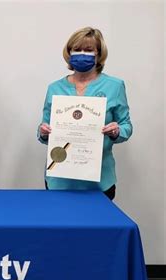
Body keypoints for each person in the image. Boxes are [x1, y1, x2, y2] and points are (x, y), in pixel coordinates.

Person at [38, 27, 132, 200]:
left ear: (98, 54)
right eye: (77, 49)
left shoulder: (114, 86)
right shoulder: (55, 88)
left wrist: (117, 131)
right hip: (60, 179)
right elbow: (43, 129)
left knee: (99, 226)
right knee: (60, 225)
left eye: (88, 50)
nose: (82, 54)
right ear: (69, 53)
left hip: (99, 181)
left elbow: (126, 126)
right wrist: (43, 132)